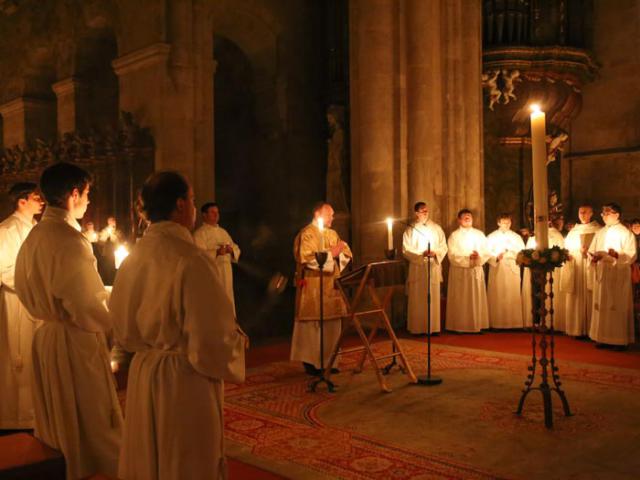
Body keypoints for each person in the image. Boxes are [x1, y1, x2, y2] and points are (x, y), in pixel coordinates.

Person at [110, 171, 247, 480]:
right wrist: (235, 343)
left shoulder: (134, 257)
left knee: (150, 459)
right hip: (183, 380)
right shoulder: (191, 259)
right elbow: (210, 340)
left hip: (145, 372)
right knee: (185, 460)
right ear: (180, 204)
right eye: (193, 199)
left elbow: (119, 323)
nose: (195, 207)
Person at [14, 163, 122, 479]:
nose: (88, 202)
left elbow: (36, 287)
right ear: (74, 194)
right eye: (87, 195)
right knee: (92, 417)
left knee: (57, 420)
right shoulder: (69, 240)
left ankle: (64, 467)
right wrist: (115, 305)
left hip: (46, 335)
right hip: (74, 340)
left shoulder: (35, 236)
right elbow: (86, 306)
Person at [0, 182, 43, 429]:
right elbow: (5, 268)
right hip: (16, 301)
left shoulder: (36, 228)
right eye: (36, 198)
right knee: (18, 359)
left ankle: (32, 413)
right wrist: (33, 285)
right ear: (22, 201)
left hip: (34, 301)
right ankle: (15, 417)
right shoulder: (7, 229)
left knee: (31, 356)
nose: (41, 201)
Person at [291, 203, 352, 375]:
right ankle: (312, 363)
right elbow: (307, 259)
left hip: (331, 286)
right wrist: (330, 254)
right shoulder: (307, 234)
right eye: (330, 214)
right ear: (318, 213)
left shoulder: (332, 233)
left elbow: (345, 253)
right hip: (313, 287)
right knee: (313, 326)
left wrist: (338, 254)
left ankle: (330, 362)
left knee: (332, 325)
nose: (333, 218)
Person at [588, 203, 636, 349]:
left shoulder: (626, 233)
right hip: (603, 272)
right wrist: (594, 258)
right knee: (601, 303)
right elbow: (592, 250)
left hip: (618, 274)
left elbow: (631, 254)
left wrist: (617, 255)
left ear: (616, 214)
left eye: (607, 213)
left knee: (616, 305)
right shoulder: (600, 232)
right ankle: (601, 337)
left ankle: (618, 340)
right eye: (602, 213)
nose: (603, 216)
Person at [402, 201, 447, 334]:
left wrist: (435, 253)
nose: (425, 213)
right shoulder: (410, 229)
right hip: (418, 267)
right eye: (422, 211)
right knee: (418, 297)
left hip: (432, 265)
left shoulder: (437, 228)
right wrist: (421, 254)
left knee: (432, 296)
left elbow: (443, 246)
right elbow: (406, 249)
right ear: (416, 213)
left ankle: (433, 328)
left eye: (426, 210)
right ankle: (417, 328)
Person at [446, 209, 490, 332]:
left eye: (469, 216)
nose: (468, 218)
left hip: (475, 270)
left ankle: (477, 324)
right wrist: (467, 258)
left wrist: (478, 256)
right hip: (460, 272)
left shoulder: (479, 234)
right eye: (465, 217)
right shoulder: (454, 236)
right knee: (461, 298)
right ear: (459, 220)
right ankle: (459, 326)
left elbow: (486, 251)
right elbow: (452, 255)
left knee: (475, 297)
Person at [560, 205, 601, 337]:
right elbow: (566, 248)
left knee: (590, 295)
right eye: (580, 212)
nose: (582, 215)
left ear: (591, 213)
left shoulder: (598, 230)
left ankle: (591, 329)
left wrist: (588, 252)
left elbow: (600, 248)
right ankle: (576, 329)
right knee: (576, 295)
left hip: (590, 265)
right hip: (576, 266)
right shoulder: (573, 231)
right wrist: (568, 254)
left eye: (585, 212)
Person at [193, 202, 241, 310]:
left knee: (227, 302)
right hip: (213, 275)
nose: (216, 215)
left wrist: (231, 250)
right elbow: (199, 256)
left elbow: (236, 248)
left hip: (227, 274)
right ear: (204, 215)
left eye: (217, 212)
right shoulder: (200, 234)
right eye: (213, 212)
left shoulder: (223, 232)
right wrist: (217, 252)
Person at [522, 221, 566, 330]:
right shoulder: (534, 236)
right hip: (536, 271)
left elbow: (560, 252)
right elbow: (528, 252)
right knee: (536, 294)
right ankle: (536, 321)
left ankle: (550, 322)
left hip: (550, 270)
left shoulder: (556, 235)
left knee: (549, 293)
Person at [486, 213, 525, 329]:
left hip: (512, 267)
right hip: (498, 267)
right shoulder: (491, 237)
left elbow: (522, 252)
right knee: (498, 293)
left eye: (508, 222)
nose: (506, 225)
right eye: (503, 222)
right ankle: (497, 323)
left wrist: (512, 253)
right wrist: (496, 257)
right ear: (498, 223)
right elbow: (486, 252)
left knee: (512, 293)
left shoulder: (516, 237)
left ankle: (514, 323)